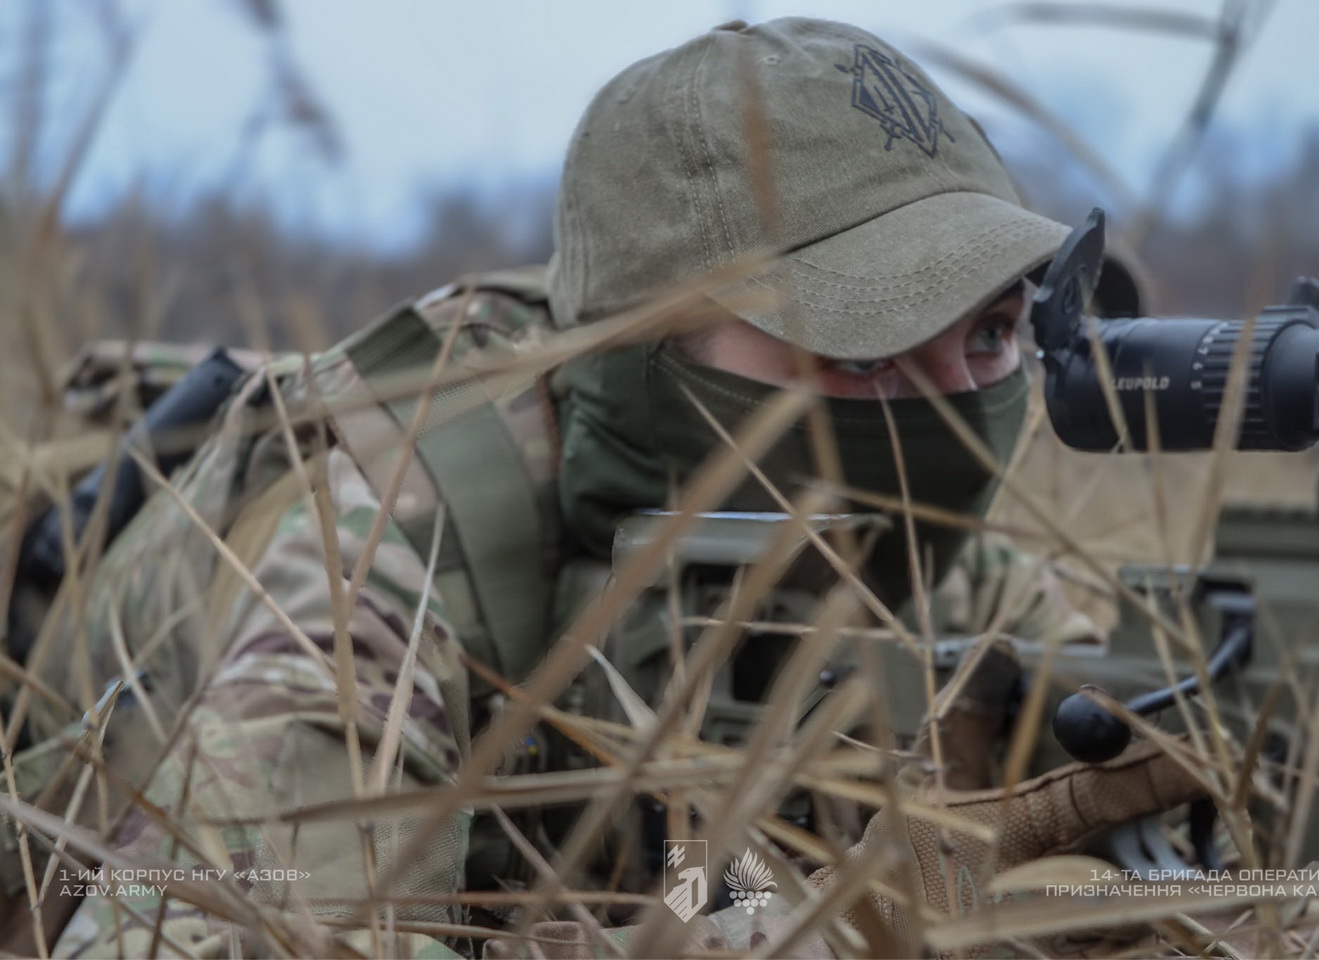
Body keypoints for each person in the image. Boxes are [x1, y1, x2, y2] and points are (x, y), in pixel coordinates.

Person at [0, 17, 1207, 959]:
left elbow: (1148, 752)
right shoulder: (384, 555)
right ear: (645, 358)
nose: (956, 405)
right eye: (858, 350)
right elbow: (212, 933)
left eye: (993, 333)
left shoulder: (931, 555)